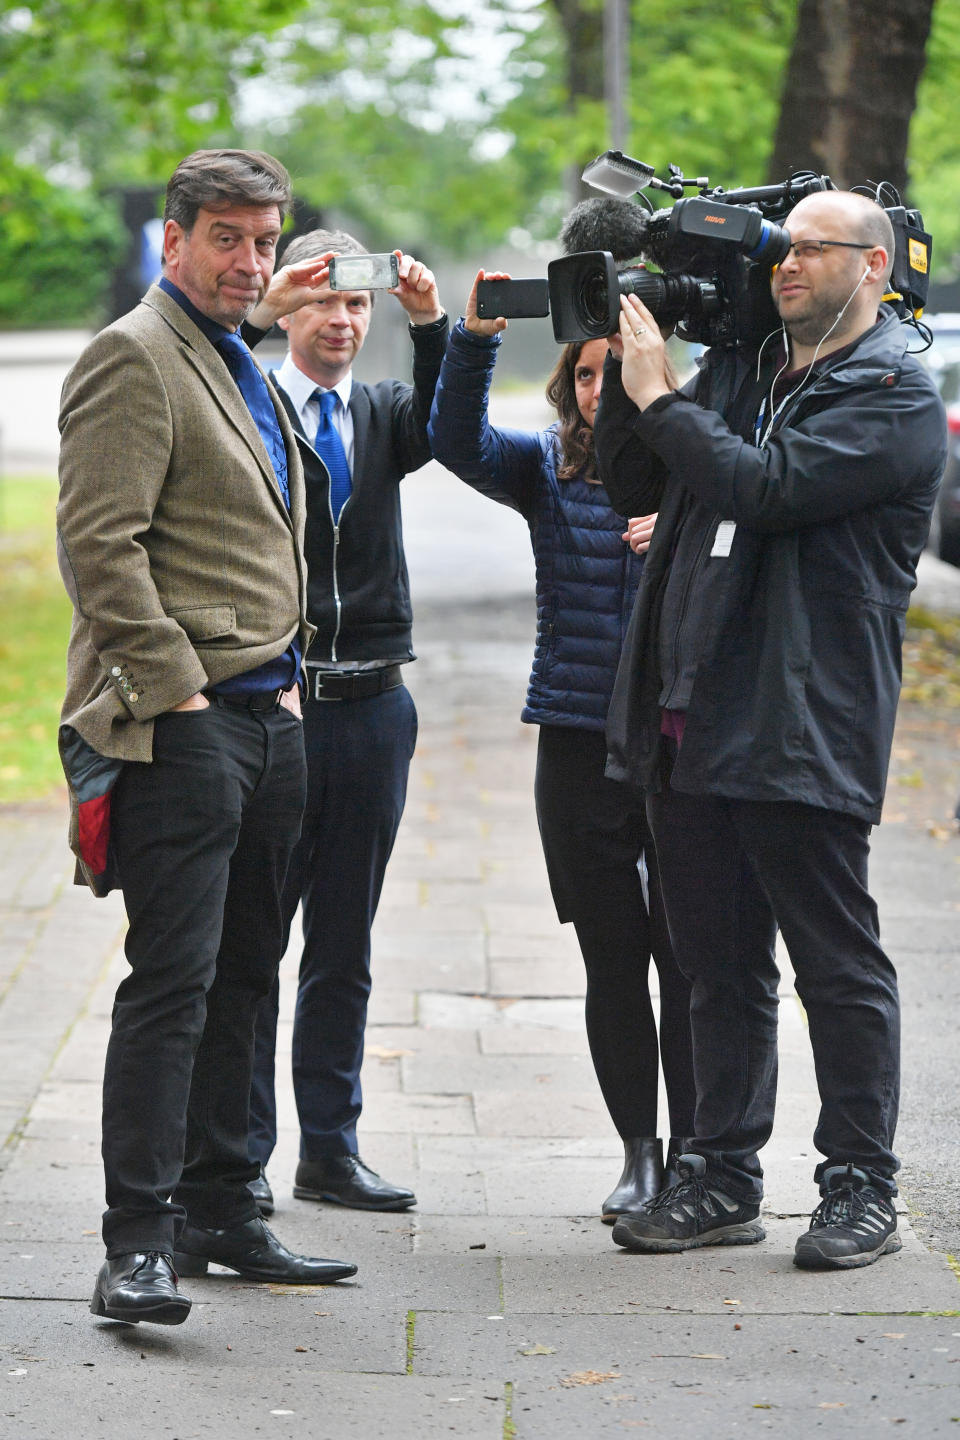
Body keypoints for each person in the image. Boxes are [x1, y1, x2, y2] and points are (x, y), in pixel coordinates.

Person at [593, 190, 947, 1267]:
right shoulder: (747, 369)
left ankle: (859, 1188)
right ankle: (720, 1175)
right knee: (716, 963)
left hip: (803, 715)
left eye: (809, 248)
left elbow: (769, 486)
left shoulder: (893, 391)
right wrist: (625, 372)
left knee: (835, 961)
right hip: (690, 708)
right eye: (779, 249)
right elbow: (635, 475)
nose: (784, 263)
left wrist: (662, 397)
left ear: (875, 265)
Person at [57, 149, 357, 1328]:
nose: (250, 262)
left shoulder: (234, 355)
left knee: (245, 975)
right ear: (173, 242)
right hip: (182, 727)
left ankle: (224, 1207)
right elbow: (101, 550)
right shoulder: (132, 356)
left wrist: (275, 691)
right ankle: (136, 1242)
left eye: (265, 240)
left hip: (268, 714)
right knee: (172, 985)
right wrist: (179, 692)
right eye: (227, 238)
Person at [428, 271, 696, 1221]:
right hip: (580, 743)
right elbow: (452, 442)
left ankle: (704, 1156)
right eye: (586, 374)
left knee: (691, 954)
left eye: (617, 369)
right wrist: (472, 340)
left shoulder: (699, 471)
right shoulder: (552, 470)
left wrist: (684, 533)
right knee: (613, 956)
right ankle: (641, 1153)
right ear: (568, 387)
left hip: (678, 745)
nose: (600, 388)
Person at [237, 228, 448, 1215]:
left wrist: (434, 324)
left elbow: (459, 426)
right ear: (287, 309)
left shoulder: (385, 413)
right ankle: (234, 1158)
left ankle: (331, 1145)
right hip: (274, 710)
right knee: (251, 940)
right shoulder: (245, 401)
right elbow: (194, 352)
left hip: (371, 708)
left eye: (357, 304)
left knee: (344, 941)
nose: (341, 318)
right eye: (322, 299)